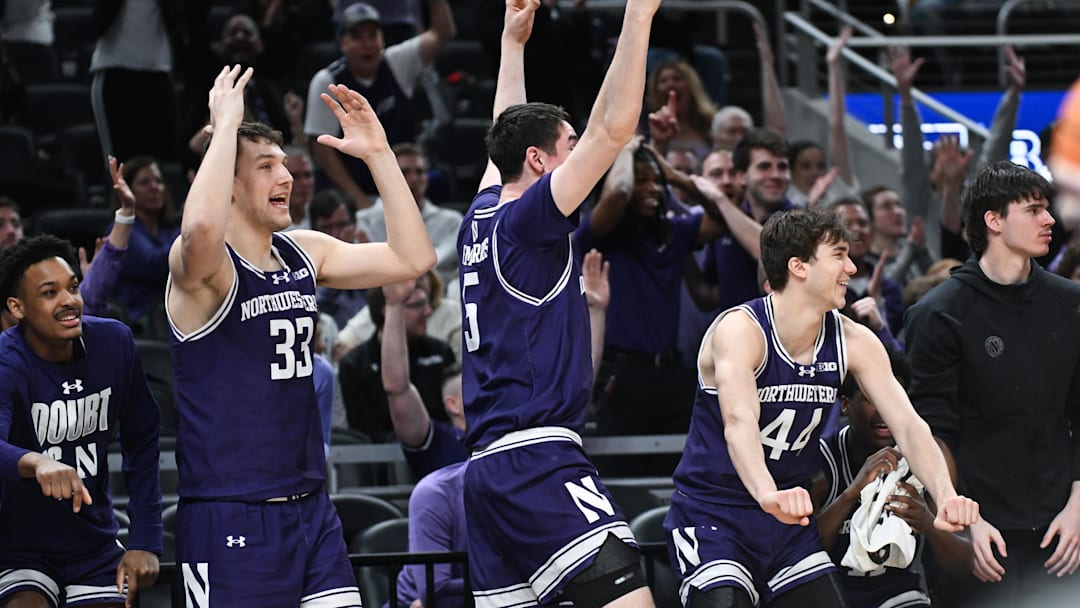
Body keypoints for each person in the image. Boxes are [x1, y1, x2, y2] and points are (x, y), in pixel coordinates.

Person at [166, 65, 435, 605]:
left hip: (311, 507)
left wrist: (379, 154)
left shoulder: (304, 251)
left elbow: (414, 258)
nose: (286, 177)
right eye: (266, 166)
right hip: (231, 513)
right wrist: (225, 128)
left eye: (285, 164)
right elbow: (200, 227)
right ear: (228, 184)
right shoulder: (205, 269)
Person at [664, 207, 979, 607]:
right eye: (839, 255)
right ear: (798, 266)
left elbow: (909, 425)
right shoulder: (741, 330)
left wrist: (945, 494)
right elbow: (739, 421)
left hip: (788, 526)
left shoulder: (853, 339)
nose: (851, 267)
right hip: (716, 515)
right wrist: (767, 493)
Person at [458, 0, 661, 605]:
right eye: (568, 146)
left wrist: (512, 44)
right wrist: (639, 15)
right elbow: (612, 130)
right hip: (537, 460)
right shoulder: (528, 221)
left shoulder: (481, 214)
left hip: (486, 470)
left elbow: (505, 135)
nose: (579, 157)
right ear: (539, 162)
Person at [904, 161, 1080, 607]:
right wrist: (966, 519)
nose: (1050, 220)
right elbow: (931, 434)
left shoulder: (1071, 304)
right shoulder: (938, 314)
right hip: (980, 532)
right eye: (1034, 210)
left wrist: (1078, 507)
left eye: (1047, 208)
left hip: (1064, 527)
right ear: (994, 221)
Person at [0, 235, 162, 608]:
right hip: (18, 548)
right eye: (49, 292)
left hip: (95, 545)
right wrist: (36, 461)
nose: (69, 300)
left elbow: (142, 442)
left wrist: (144, 540)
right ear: (17, 307)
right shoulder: (7, 363)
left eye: (72, 287)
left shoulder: (114, 342)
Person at [814, 348, 972, 608]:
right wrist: (850, 494)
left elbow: (965, 564)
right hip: (830, 594)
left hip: (897, 595)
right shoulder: (820, 460)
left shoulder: (930, 456)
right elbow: (801, 554)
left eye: (893, 398)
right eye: (871, 398)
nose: (885, 411)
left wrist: (928, 524)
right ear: (846, 403)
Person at [304, 0, 455, 209]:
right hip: (354, 190)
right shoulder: (327, 81)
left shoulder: (397, 62)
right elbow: (322, 150)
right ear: (343, 43)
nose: (367, 44)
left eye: (373, 35)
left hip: (399, 184)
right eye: (357, 37)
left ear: (382, 39)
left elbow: (442, 34)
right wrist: (359, 200)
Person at [339, 272, 455, 441]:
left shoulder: (441, 353)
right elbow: (363, 432)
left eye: (427, 303)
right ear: (388, 311)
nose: (428, 311)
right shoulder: (354, 364)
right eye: (418, 305)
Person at [355, 143, 463, 286]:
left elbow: (429, 264)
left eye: (419, 172)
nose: (414, 179)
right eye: (404, 172)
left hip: (440, 296)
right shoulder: (365, 220)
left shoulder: (452, 222)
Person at [108, 156, 181, 324]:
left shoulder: (169, 230)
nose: (154, 187)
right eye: (144, 183)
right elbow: (154, 265)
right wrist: (191, 228)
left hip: (175, 314)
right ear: (127, 190)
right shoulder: (121, 230)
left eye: (159, 181)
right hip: (139, 321)